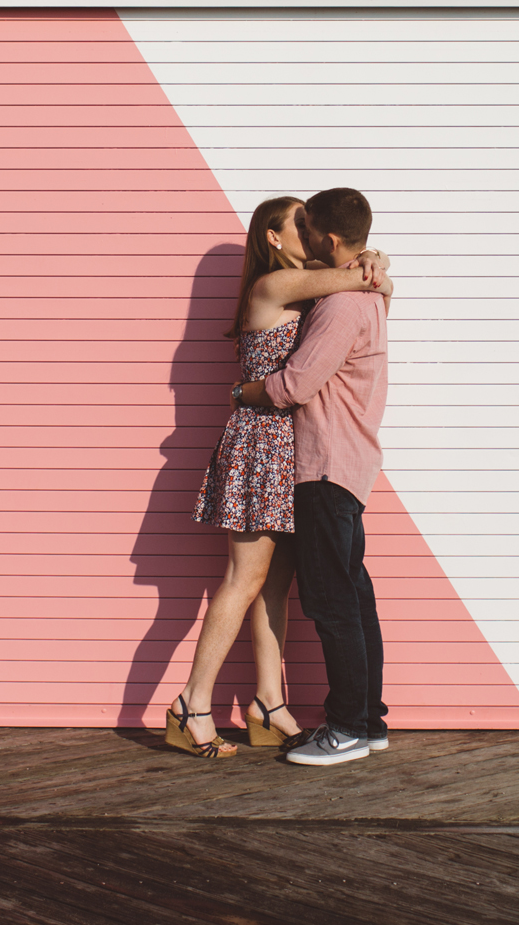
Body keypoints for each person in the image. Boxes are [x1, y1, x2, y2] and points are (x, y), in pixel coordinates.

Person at [165, 195, 391, 759]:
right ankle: (192, 703)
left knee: (276, 584)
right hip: (260, 442)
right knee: (245, 578)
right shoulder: (272, 288)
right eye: (298, 225)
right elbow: (361, 282)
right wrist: (372, 268)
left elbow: (360, 280)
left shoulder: (323, 281)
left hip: (293, 448)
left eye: (312, 227)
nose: (308, 234)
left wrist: (372, 265)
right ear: (272, 237)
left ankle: (269, 702)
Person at [231, 187, 390, 768]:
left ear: (326, 238)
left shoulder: (343, 302)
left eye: (308, 226)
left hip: (323, 465)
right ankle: (367, 723)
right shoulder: (362, 291)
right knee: (354, 598)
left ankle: (347, 727)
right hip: (347, 464)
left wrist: (244, 391)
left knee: (332, 603)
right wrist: (375, 268)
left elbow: (295, 385)